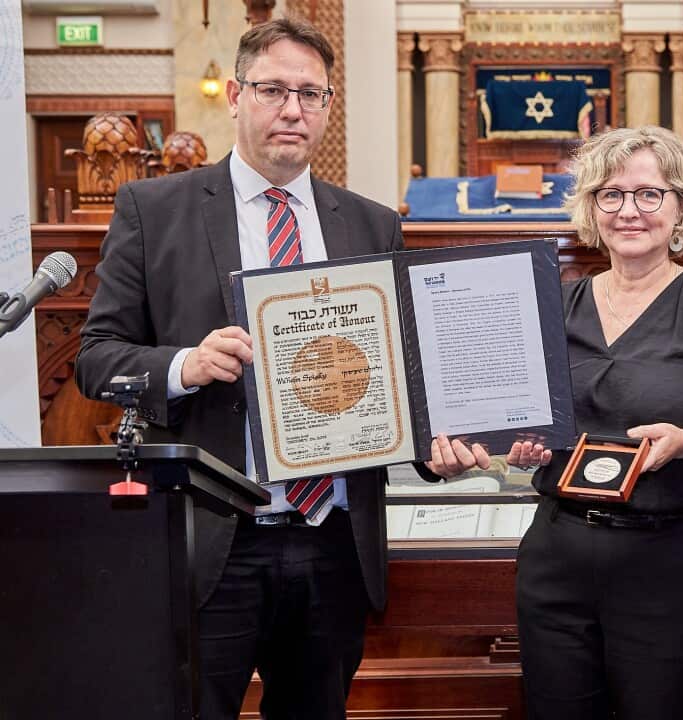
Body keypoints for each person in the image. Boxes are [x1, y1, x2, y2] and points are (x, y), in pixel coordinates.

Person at [74, 17, 465, 720]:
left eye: (311, 95)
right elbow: (97, 358)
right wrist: (187, 364)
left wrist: (439, 449)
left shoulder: (372, 223)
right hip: (213, 539)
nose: (293, 109)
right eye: (275, 89)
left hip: (334, 541)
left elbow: (401, 370)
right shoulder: (153, 210)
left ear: (327, 107)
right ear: (234, 94)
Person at [502, 126, 683, 719]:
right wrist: (521, 448)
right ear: (592, 208)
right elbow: (526, 422)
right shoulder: (555, 304)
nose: (629, 210)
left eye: (650, 194)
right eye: (611, 194)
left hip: (668, 560)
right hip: (558, 558)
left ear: (681, 208)